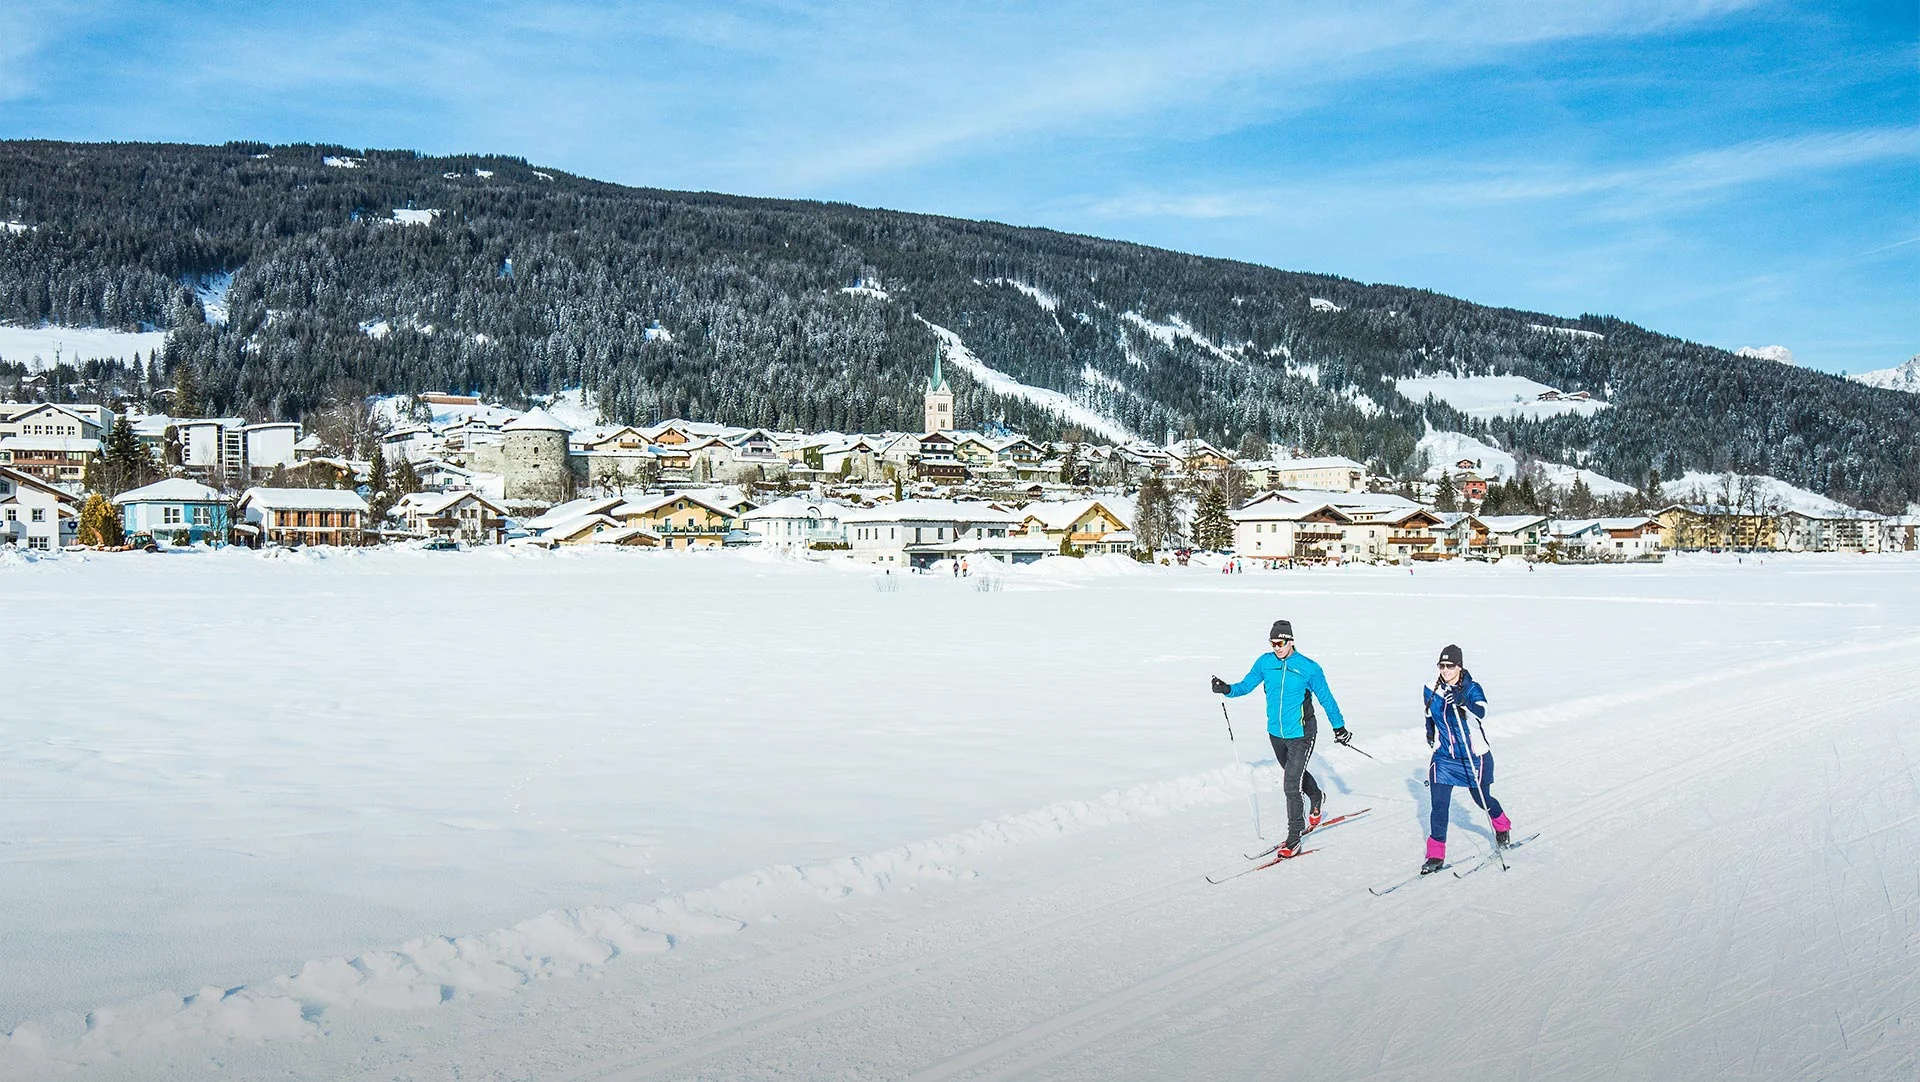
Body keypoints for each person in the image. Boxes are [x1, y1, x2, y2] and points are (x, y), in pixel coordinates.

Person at [1211, 620, 1351, 857]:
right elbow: (1246, 686)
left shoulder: (1309, 668)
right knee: (1293, 774)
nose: (1276, 647)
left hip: (1302, 733)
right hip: (1275, 733)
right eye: (1272, 643)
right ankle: (1316, 795)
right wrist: (1227, 689)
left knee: (1290, 784)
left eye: (1280, 643)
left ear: (1291, 641)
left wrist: (1340, 728)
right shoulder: (1265, 662)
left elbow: (1327, 699)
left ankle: (1293, 838)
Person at [1419, 643, 1514, 874]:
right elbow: (1429, 713)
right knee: (1439, 804)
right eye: (1441, 665)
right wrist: (1430, 731)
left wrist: (1462, 701)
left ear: (1459, 667)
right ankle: (1435, 854)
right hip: (1444, 756)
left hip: (1473, 755)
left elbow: (1482, 711)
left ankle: (1502, 825)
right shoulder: (1431, 688)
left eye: (1450, 666)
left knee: (1481, 799)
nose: (1445, 670)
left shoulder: (1472, 688)